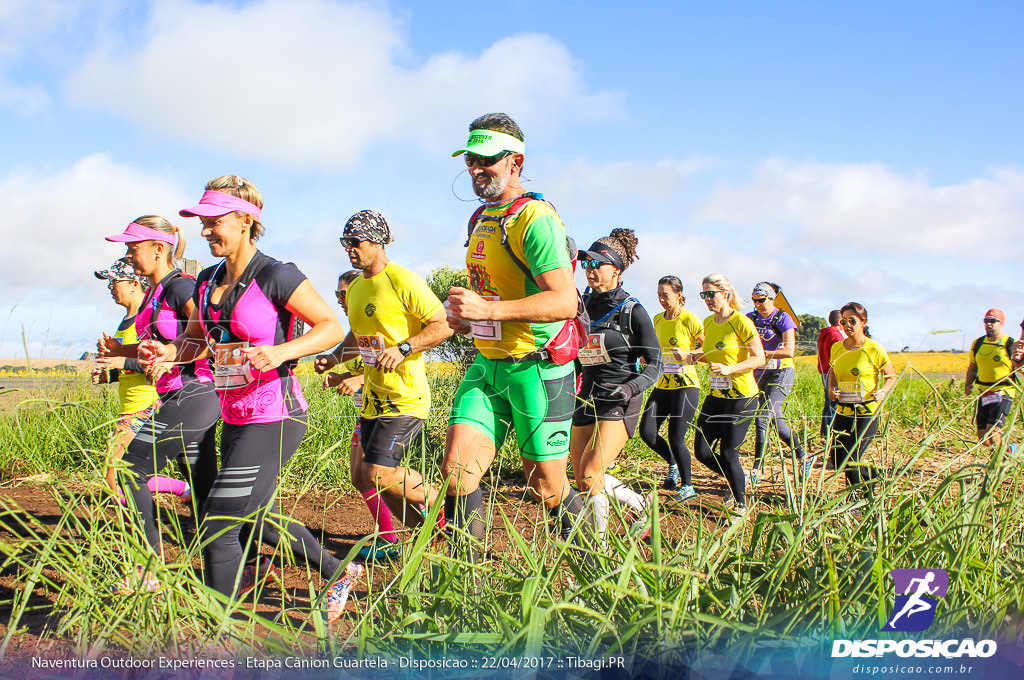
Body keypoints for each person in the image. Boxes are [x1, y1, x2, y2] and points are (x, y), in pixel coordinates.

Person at [142, 175, 355, 620]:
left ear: (244, 221)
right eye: (202, 222)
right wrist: (166, 354)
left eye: (213, 221)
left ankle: (221, 627)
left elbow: (330, 328)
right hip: (234, 414)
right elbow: (198, 342)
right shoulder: (205, 281)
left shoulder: (277, 275)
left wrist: (280, 351)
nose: (204, 231)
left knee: (218, 521)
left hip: (276, 414)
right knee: (254, 515)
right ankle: (337, 571)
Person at [443, 113, 583, 558]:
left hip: (536, 368)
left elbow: (565, 301)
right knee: (457, 471)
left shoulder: (535, 219)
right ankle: (466, 585)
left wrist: (489, 310)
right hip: (488, 365)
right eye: (470, 160)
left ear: (515, 161)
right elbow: (491, 292)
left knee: (546, 485)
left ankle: (598, 564)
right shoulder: (480, 218)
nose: (476, 169)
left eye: (487, 160)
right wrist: (466, 317)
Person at [319, 210, 451, 558]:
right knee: (369, 478)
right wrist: (335, 358)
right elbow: (356, 335)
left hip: (404, 396)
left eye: (356, 241)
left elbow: (442, 325)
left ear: (377, 241)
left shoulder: (404, 280)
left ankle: (447, 500)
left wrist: (404, 347)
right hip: (373, 400)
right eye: (345, 242)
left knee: (380, 474)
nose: (350, 248)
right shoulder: (359, 287)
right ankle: (430, 536)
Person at [101, 216, 220, 581]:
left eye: (133, 248)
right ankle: (251, 565)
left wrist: (170, 353)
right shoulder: (153, 293)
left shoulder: (181, 287)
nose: (129, 255)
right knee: (206, 494)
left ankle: (146, 572)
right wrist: (124, 349)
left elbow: (211, 337)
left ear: (157, 248)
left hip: (196, 393)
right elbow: (159, 346)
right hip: (175, 397)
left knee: (129, 470)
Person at [571, 229, 661, 544]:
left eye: (597, 264)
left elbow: (656, 364)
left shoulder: (632, 310)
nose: (589, 269)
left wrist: (630, 390)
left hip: (619, 398)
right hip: (585, 397)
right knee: (583, 478)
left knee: (591, 474)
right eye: (586, 263)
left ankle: (599, 549)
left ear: (617, 271)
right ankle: (643, 507)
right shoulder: (578, 305)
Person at [93, 257, 189, 503]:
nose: (110, 288)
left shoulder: (146, 321)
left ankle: (142, 526)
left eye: (114, 282)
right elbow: (132, 365)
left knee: (116, 482)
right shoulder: (125, 321)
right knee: (123, 478)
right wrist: (109, 374)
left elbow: (161, 362)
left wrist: (121, 362)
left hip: (146, 405)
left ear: (134, 283)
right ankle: (185, 489)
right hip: (130, 406)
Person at [686, 274, 765, 517]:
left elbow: (759, 358)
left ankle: (741, 506)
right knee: (701, 451)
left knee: (729, 452)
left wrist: (730, 369)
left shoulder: (741, 322)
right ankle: (737, 477)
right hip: (716, 394)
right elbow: (713, 353)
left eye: (711, 294)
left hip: (742, 396)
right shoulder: (709, 323)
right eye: (704, 295)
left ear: (725, 294)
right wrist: (693, 355)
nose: (707, 299)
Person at [638, 276, 703, 502]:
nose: (661, 299)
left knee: (676, 437)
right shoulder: (657, 319)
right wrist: (646, 358)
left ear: (678, 295)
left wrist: (690, 355)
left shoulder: (690, 319)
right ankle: (672, 463)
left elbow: (708, 349)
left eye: (665, 295)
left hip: (686, 386)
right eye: (659, 295)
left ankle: (688, 486)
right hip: (663, 384)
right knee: (647, 432)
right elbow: (653, 349)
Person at [827, 302, 897, 490]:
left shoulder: (874, 349)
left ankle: (856, 497)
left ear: (863, 323)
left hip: (867, 411)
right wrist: (831, 390)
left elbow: (891, 377)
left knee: (852, 458)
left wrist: (882, 392)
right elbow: (832, 373)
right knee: (837, 457)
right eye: (844, 321)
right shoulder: (837, 348)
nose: (847, 325)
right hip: (844, 409)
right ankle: (875, 476)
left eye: (852, 321)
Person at [746, 282, 810, 487]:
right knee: (777, 422)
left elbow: (789, 350)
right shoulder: (750, 318)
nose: (757, 304)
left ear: (771, 299)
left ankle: (756, 469)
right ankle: (804, 456)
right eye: (754, 300)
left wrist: (762, 354)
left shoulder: (783, 318)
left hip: (781, 373)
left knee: (762, 417)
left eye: (761, 300)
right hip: (759, 374)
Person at [965, 308, 1018, 450]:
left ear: (1001, 324)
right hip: (984, 393)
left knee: (993, 435)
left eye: (993, 321)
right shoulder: (978, 343)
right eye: (986, 321)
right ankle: (1009, 451)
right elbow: (972, 367)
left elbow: (1019, 364)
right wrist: (968, 385)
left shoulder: (1010, 344)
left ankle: (998, 464)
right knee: (984, 438)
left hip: (1002, 391)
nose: (989, 324)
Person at [817, 310, 843, 438]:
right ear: (839, 322)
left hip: (824, 371)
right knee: (833, 404)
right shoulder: (837, 336)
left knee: (828, 404)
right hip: (833, 372)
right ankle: (829, 434)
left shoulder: (824, 334)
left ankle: (824, 433)